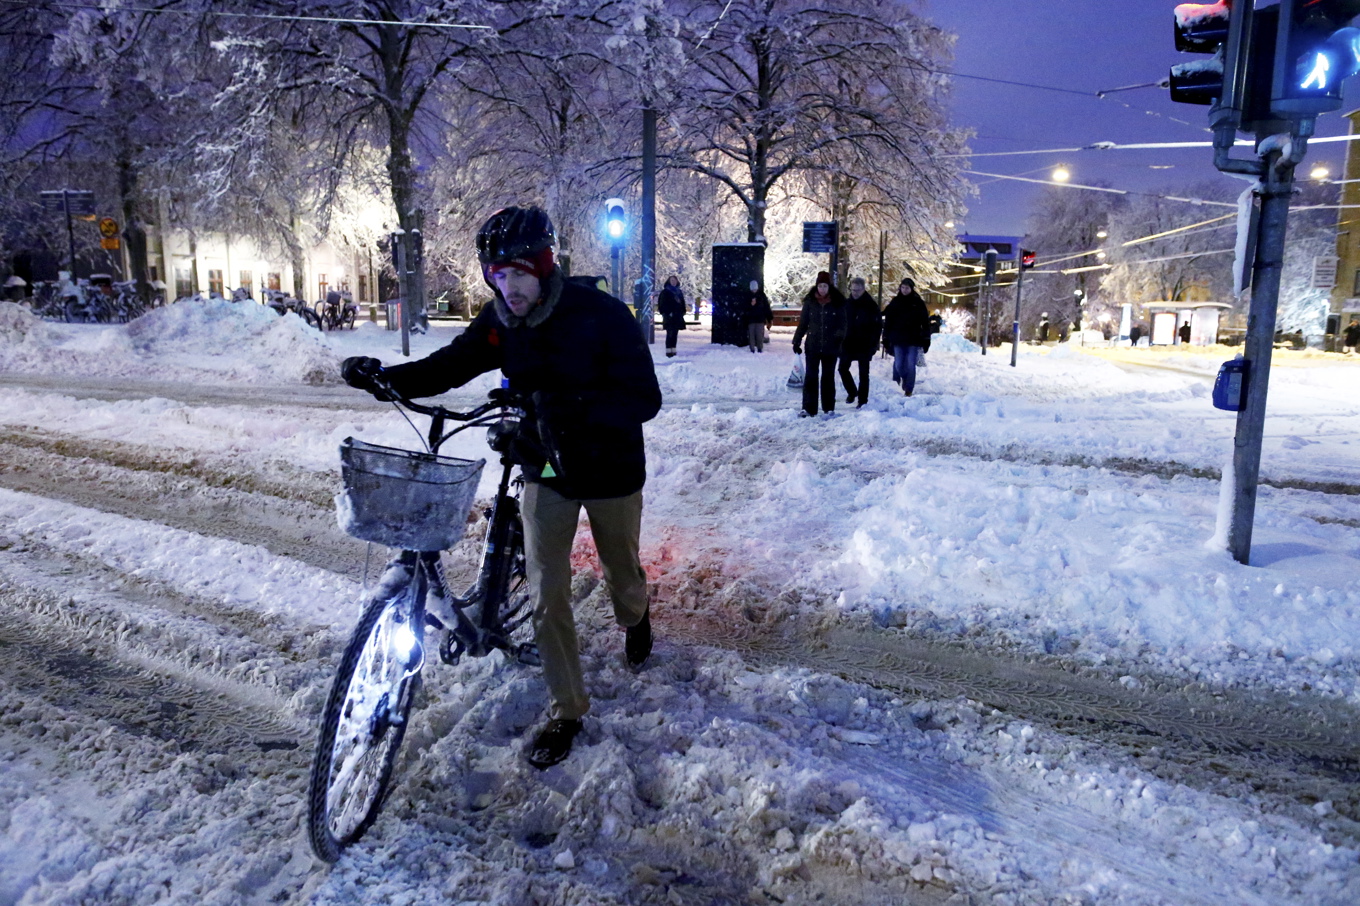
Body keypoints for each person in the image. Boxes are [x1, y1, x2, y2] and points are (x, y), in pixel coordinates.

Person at [340, 206, 662, 770]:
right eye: (496, 275)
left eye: (517, 273)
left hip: (609, 469)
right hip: (544, 468)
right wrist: (386, 378)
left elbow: (644, 400)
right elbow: (452, 364)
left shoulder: (602, 315)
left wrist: (568, 407)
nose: (507, 287)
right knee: (546, 589)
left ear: (544, 267)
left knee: (620, 574)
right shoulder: (499, 322)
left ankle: (636, 616)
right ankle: (567, 709)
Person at [791, 272, 846, 417]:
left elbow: (843, 323)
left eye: (825, 286)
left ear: (829, 287)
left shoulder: (837, 302)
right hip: (813, 345)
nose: (822, 289)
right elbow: (803, 323)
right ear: (817, 286)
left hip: (831, 347)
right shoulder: (810, 302)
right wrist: (797, 340)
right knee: (811, 377)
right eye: (820, 286)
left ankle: (828, 408)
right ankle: (809, 408)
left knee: (828, 378)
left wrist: (839, 338)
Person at [881, 278, 932, 397]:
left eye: (907, 288)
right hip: (898, 338)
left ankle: (909, 388)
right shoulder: (895, 302)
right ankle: (903, 379)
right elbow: (888, 320)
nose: (904, 290)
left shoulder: (918, 302)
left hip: (914, 338)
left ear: (911, 289)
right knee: (898, 363)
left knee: (910, 364)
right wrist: (886, 336)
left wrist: (926, 338)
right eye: (902, 287)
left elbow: (925, 322)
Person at [838, 277, 882, 407]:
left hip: (864, 343)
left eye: (857, 290)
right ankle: (852, 391)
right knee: (842, 369)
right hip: (848, 343)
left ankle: (862, 400)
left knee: (864, 374)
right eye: (853, 290)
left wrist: (874, 344)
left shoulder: (871, 305)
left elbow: (877, 326)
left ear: (863, 289)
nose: (855, 293)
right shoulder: (847, 304)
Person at [658, 275, 687, 357]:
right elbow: (662, 305)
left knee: (675, 334)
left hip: (677, 317)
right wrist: (668, 313)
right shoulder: (665, 292)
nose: (673, 282)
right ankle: (669, 352)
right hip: (669, 317)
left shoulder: (679, 292)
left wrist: (682, 312)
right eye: (672, 280)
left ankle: (673, 350)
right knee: (670, 334)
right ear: (669, 281)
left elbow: (682, 303)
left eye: (674, 280)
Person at [743, 279, 773, 352]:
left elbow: (766, 307)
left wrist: (769, 318)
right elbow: (766, 307)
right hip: (753, 319)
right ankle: (753, 348)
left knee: (758, 335)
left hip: (758, 319)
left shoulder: (760, 295)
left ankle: (759, 348)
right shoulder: (759, 295)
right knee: (752, 335)